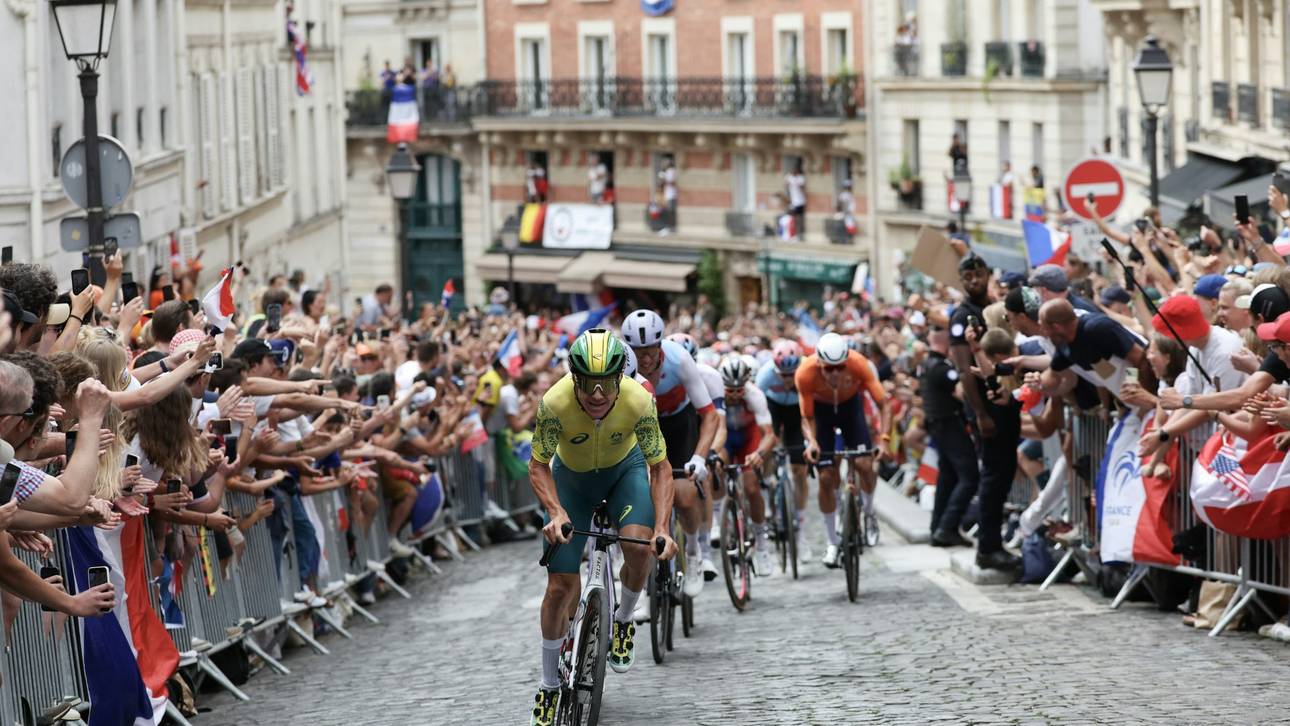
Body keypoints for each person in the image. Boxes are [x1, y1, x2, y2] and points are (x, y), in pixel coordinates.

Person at [529, 330, 676, 726]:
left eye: (607, 383)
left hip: (623, 473)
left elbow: (661, 468)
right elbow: (538, 465)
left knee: (640, 546)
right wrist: (555, 511)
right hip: (572, 481)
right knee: (560, 587)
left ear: (620, 378)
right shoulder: (554, 402)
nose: (597, 394)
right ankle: (548, 684)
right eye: (588, 383)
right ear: (574, 378)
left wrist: (663, 526)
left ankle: (624, 619)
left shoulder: (639, 400)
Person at [621, 309, 718, 597]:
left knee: (685, 495)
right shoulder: (621, 362)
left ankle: (693, 552)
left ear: (661, 344)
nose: (645, 360)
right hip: (640, 423)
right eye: (639, 353)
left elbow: (709, 415)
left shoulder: (679, 359)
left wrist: (699, 457)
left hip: (677, 423)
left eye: (651, 351)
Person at [795, 332, 889, 567]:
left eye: (840, 367)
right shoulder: (805, 372)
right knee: (826, 478)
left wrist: (884, 439)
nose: (835, 373)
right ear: (819, 363)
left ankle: (869, 512)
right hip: (822, 414)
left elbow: (883, 405)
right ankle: (832, 541)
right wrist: (812, 442)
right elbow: (806, 417)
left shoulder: (859, 363)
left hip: (850, 409)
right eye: (829, 369)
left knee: (864, 464)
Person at [717, 355, 776, 576]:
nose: (734, 395)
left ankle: (761, 543)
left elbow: (769, 435)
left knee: (751, 487)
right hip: (725, 437)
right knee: (716, 464)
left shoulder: (755, 395)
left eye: (739, 390)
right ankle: (718, 516)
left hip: (748, 438)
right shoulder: (713, 392)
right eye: (729, 390)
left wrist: (759, 453)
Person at [919, 327, 976, 548]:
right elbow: (962, 393)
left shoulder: (927, 364)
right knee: (970, 476)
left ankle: (939, 528)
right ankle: (947, 526)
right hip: (949, 425)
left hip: (939, 426)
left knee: (948, 477)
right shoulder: (941, 368)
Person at [755, 340, 812, 560]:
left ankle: (801, 530)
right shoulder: (765, 375)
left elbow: (812, 411)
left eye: (792, 375)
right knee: (769, 444)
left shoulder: (807, 369)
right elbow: (757, 408)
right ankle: (767, 482)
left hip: (797, 410)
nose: (788, 380)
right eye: (783, 375)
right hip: (773, 407)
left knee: (800, 469)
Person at [784, 161, 807, 241]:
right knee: (792, 218)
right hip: (793, 201)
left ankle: (800, 234)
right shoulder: (790, 177)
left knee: (800, 218)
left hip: (800, 201)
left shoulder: (800, 178)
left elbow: (802, 188)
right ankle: (793, 234)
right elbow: (785, 185)